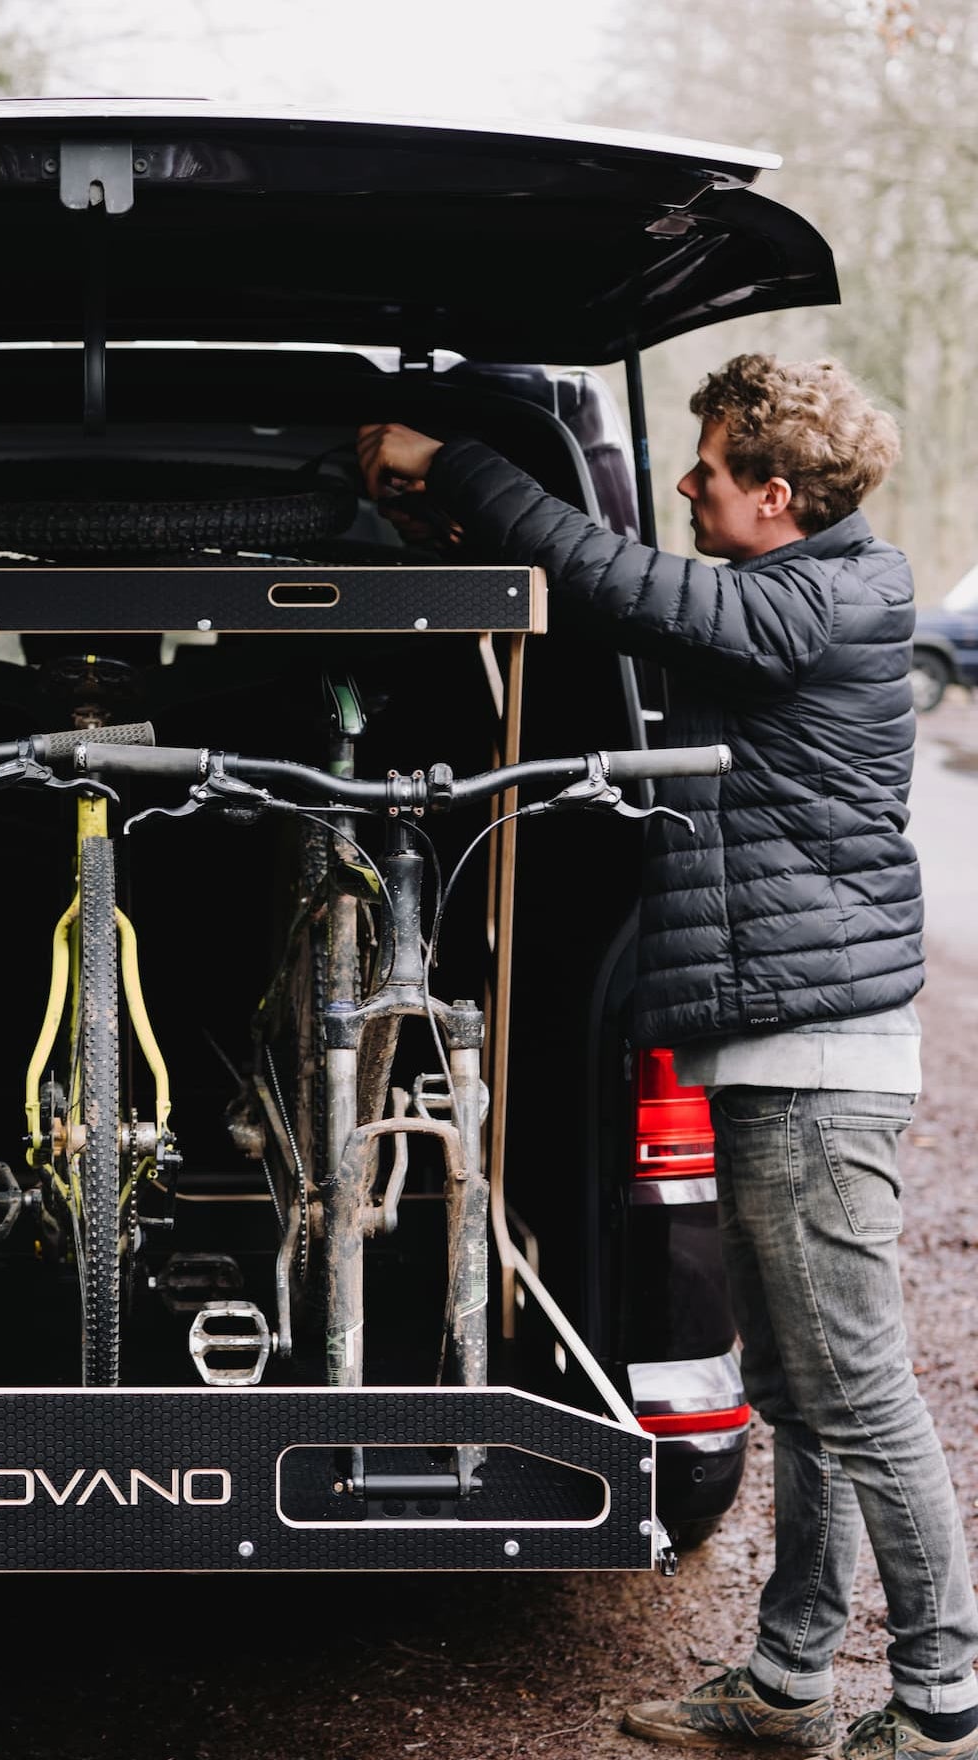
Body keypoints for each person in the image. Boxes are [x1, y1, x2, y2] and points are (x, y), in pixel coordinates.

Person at [359, 355, 978, 1760]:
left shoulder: (824, 597)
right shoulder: (787, 603)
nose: (684, 489)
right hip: (781, 1044)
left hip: (818, 1062)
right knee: (807, 1400)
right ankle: (787, 1685)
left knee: (863, 1389)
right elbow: (611, 594)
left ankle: (945, 1705)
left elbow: (625, 580)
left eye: (705, 472)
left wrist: (454, 460)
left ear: (776, 495)